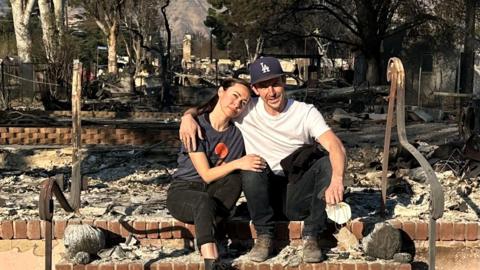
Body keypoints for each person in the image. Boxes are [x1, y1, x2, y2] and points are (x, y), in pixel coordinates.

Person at [179, 57, 346, 263]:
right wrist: (187, 116)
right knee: (251, 164)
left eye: (275, 83)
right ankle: (264, 236)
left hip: (296, 189)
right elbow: (215, 106)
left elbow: (335, 145)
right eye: (263, 86)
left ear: (284, 81)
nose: (271, 91)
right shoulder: (246, 108)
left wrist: (337, 179)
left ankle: (312, 236)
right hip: (264, 192)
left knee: (326, 162)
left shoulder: (305, 112)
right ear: (256, 89)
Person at [167, 78, 266, 270]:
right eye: (235, 96)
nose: (237, 104)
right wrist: (188, 116)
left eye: (243, 102)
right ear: (221, 92)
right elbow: (206, 174)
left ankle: (209, 227)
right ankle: (212, 263)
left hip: (214, 193)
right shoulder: (196, 127)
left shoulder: (239, 133)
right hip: (184, 192)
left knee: (236, 178)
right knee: (204, 201)